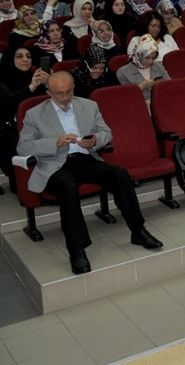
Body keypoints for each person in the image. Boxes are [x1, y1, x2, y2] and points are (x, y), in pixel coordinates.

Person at [18, 71, 163, 274]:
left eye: (69, 91)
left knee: (120, 175)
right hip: (55, 165)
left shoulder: (88, 105)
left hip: (86, 158)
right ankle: (77, 249)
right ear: (49, 92)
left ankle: (138, 230)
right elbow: (23, 147)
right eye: (60, 93)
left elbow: (106, 132)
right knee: (68, 188)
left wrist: (95, 140)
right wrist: (54, 143)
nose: (66, 97)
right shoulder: (34, 113)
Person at [0, 45, 49, 193]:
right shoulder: (2, 81)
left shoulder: (35, 77)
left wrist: (49, 83)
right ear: (10, 60)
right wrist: (31, 88)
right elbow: (6, 105)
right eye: (19, 56)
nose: (25, 60)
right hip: (9, 129)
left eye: (28, 56)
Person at [116, 34, 169, 105]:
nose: (151, 61)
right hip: (138, 105)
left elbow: (170, 85)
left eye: (153, 58)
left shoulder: (158, 66)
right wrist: (142, 86)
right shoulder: (122, 72)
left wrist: (162, 83)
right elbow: (125, 97)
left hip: (161, 101)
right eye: (147, 58)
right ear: (138, 55)